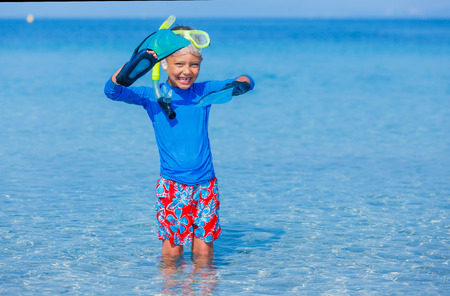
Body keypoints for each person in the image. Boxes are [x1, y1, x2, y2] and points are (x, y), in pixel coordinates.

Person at [104, 24, 255, 258]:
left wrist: (241, 85)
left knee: (204, 251)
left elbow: (247, 79)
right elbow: (112, 91)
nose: (187, 71)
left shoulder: (204, 91)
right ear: (164, 64)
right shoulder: (153, 96)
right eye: (180, 64)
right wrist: (132, 67)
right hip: (173, 186)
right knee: (172, 252)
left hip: (206, 185)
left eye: (194, 64)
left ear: (201, 63)